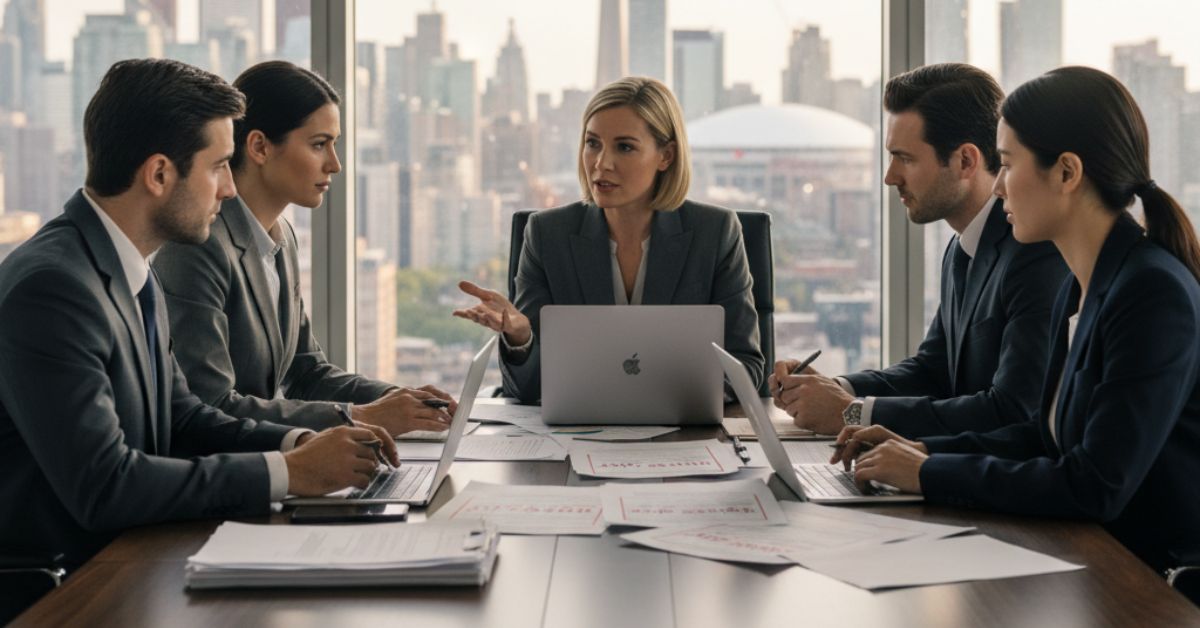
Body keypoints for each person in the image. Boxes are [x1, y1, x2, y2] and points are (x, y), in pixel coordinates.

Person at [0, 59, 396, 581]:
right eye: (218, 167)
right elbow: (105, 486)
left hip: (133, 562)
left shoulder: (129, 265)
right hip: (62, 592)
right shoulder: (54, 288)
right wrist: (287, 473)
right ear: (160, 174)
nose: (230, 189)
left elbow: (183, 417)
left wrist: (296, 444)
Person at [831, 66, 1200, 574]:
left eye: (1006, 164)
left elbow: (1095, 484)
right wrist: (915, 450)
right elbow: (1041, 436)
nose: (998, 186)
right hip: (1085, 558)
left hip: (1150, 581)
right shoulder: (1081, 283)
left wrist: (931, 471)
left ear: (1067, 173)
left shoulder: (1151, 292)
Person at [153, 61, 455, 436]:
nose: (335, 164)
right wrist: (361, 418)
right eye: (318, 145)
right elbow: (211, 405)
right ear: (260, 147)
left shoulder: (281, 238)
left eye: (334, 144)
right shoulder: (198, 248)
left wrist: (403, 401)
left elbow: (307, 373)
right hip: (239, 471)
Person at [771, 63, 1067, 438]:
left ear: (965, 161)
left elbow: (1011, 411)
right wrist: (837, 389)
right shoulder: (962, 247)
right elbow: (932, 371)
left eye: (905, 158)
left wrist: (852, 414)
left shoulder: (1034, 254)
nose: (890, 176)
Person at [453, 76, 764, 402]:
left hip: (685, 438)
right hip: (576, 440)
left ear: (666, 156)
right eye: (593, 143)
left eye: (624, 147)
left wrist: (655, 399)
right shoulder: (548, 235)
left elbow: (747, 370)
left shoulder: (714, 233)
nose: (601, 163)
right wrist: (520, 338)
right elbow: (526, 391)